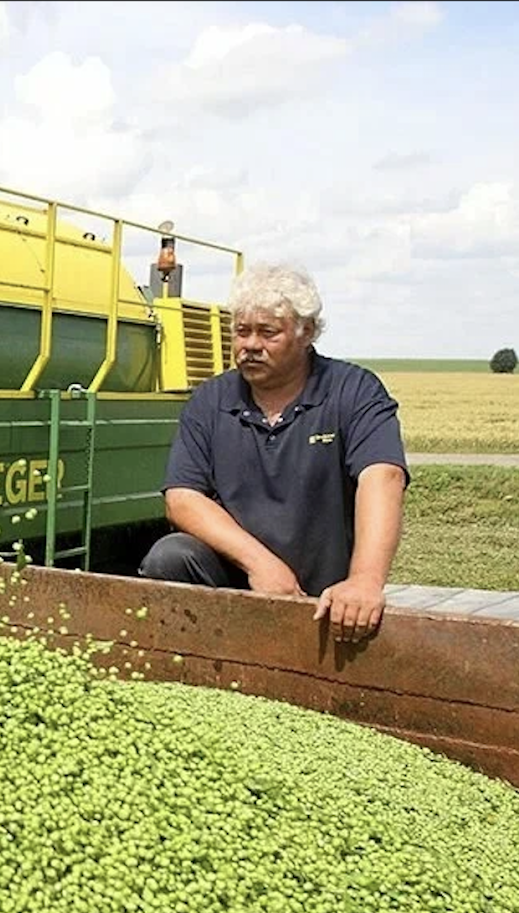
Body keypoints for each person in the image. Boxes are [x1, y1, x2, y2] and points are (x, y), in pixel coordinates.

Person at [138, 262, 410, 644]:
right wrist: (260, 563)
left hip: (320, 592)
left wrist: (365, 581)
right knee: (170, 556)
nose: (250, 345)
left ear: (306, 333)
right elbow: (182, 498)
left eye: (268, 333)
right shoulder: (210, 400)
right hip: (238, 580)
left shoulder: (354, 391)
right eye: (241, 331)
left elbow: (383, 476)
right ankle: (189, 662)